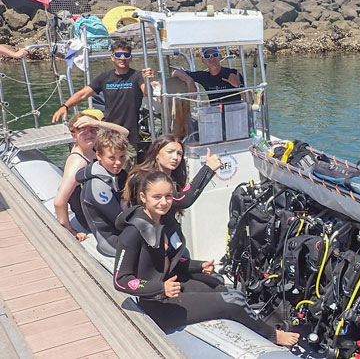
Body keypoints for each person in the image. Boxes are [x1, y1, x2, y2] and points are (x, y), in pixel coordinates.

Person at [113, 171, 300, 346]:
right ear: (143, 197)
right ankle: (273, 336)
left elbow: (171, 262)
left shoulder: (164, 220)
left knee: (226, 287)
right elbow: (120, 280)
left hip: (172, 286)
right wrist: (160, 288)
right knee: (233, 302)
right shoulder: (132, 233)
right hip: (158, 304)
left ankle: (255, 324)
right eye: (157, 197)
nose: (164, 202)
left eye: (168, 196)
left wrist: (199, 266)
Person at [51, 39, 154, 169]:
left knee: (125, 171)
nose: (122, 58)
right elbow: (83, 94)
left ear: (130, 57)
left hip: (129, 134)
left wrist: (148, 80)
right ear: (112, 57)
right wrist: (65, 106)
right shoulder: (105, 77)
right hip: (107, 131)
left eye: (126, 55)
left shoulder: (138, 76)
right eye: (118, 55)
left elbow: (147, 93)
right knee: (104, 167)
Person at [54, 110, 128, 241]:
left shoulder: (93, 148)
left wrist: (96, 123)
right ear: (74, 135)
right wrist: (71, 230)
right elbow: (59, 201)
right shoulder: (78, 162)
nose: (89, 134)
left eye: (93, 130)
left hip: (105, 203)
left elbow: (125, 133)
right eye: (83, 130)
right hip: (92, 218)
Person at [123, 134, 222, 208]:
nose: (175, 157)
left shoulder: (173, 178)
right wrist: (207, 169)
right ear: (157, 154)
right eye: (170, 152)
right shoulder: (143, 177)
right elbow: (182, 200)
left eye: (179, 154)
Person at [76, 130, 129, 256]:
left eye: (122, 157)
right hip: (111, 242)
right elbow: (120, 220)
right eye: (112, 158)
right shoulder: (98, 185)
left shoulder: (115, 175)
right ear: (98, 155)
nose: (118, 163)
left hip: (121, 234)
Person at [171, 46, 249, 104]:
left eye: (215, 55)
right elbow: (176, 72)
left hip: (235, 115)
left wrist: (238, 85)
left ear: (220, 57)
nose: (211, 58)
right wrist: (189, 81)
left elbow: (250, 100)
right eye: (207, 56)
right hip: (214, 117)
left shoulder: (232, 74)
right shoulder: (204, 76)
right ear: (202, 60)